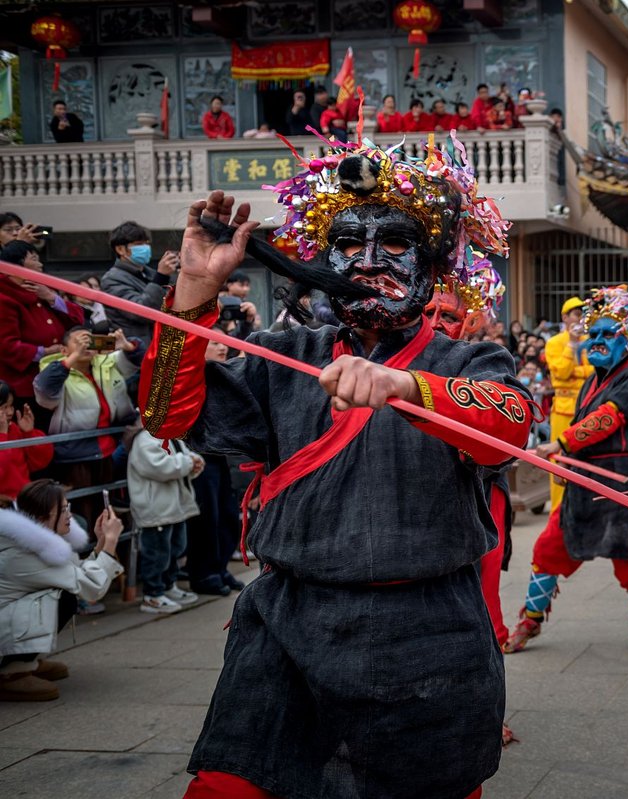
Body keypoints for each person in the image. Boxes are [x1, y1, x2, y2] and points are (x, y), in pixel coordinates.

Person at [138, 135, 530, 798]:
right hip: (288, 626)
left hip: (428, 630)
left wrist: (409, 388)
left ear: (433, 263)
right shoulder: (284, 353)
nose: (368, 262)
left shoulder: (467, 361)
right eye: (349, 244)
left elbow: (510, 424)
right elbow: (162, 416)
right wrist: (195, 290)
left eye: (395, 243)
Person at [504, 286, 628, 654]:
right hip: (585, 478)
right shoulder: (592, 381)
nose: (596, 340)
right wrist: (565, 462)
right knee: (549, 548)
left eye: (607, 334)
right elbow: (586, 419)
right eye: (593, 333)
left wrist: (561, 443)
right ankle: (530, 620)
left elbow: (609, 418)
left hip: (626, 479)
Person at [422, 247, 516, 744]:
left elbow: (501, 434)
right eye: (428, 311)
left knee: (483, 602)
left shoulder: (482, 363)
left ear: (470, 321)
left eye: (449, 316)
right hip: (411, 510)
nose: (436, 323)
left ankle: (487, 709)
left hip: (477, 498)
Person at [0, 479, 123, 701]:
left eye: (69, 507)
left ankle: (27, 660)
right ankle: (11, 671)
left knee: (64, 593)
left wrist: (101, 544)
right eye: (63, 509)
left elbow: (77, 574)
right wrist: (111, 543)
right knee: (64, 598)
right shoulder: (24, 553)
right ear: (41, 517)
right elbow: (91, 587)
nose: (70, 515)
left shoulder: (31, 541)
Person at [34, 327, 143, 527]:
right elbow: (45, 393)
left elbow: (141, 361)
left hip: (110, 450)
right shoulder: (54, 369)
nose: (86, 345)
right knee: (85, 511)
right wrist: (73, 358)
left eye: (90, 340)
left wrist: (128, 347)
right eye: (79, 341)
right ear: (64, 350)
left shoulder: (104, 362)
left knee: (109, 510)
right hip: (76, 454)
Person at [0, 241, 85, 426]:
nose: (40, 264)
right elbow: (6, 346)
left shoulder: (42, 291)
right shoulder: (4, 298)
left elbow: (78, 319)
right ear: (15, 267)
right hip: (25, 388)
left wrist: (51, 297)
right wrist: (44, 352)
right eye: (34, 259)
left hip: (57, 382)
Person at [185, 333, 243, 597]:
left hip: (221, 454)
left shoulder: (223, 372)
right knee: (206, 517)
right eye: (215, 342)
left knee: (227, 514)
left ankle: (220, 567)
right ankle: (204, 572)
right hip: (199, 453)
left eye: (223, 342)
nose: (222, 347)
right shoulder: (190, 374)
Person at [127, 425, 201, 614]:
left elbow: (184, 455)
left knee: (176, 548)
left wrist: (195, 462)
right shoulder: (144, 439)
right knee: (157, 553)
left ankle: (168, 585)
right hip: (156, 509)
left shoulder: (171, 434)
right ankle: (152, 594)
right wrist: (189, 463)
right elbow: (159, 466)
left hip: (174, 507)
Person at [543, 296, 592, 508]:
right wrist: (571, 344)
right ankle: (558, 512)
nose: (580, 319)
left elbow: (595, 371)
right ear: (565, 317)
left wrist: (576, 371)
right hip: (564, 410)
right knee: (560, 460)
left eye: (583, 315)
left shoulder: (590, 340)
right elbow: (562, 372)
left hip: (588, 406)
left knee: (587, 460)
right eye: (576, 314)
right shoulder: (554, 343)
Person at [100, 221, 177, 342]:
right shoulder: (111, 280)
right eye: (139, 244)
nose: (145, 248)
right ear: (120, 249)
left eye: (147, 243)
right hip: (135, 347)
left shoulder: (150, 274)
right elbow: (141, 312)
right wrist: (161, 277)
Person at [0, 382, 53, 501]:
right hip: (4, 504)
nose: (10, 412)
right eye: (4, 407)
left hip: (24, 499)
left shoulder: (13, 428)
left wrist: (29, 433)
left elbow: (41, 461)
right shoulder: (5, 430)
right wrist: (2, 435)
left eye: (11, 406)